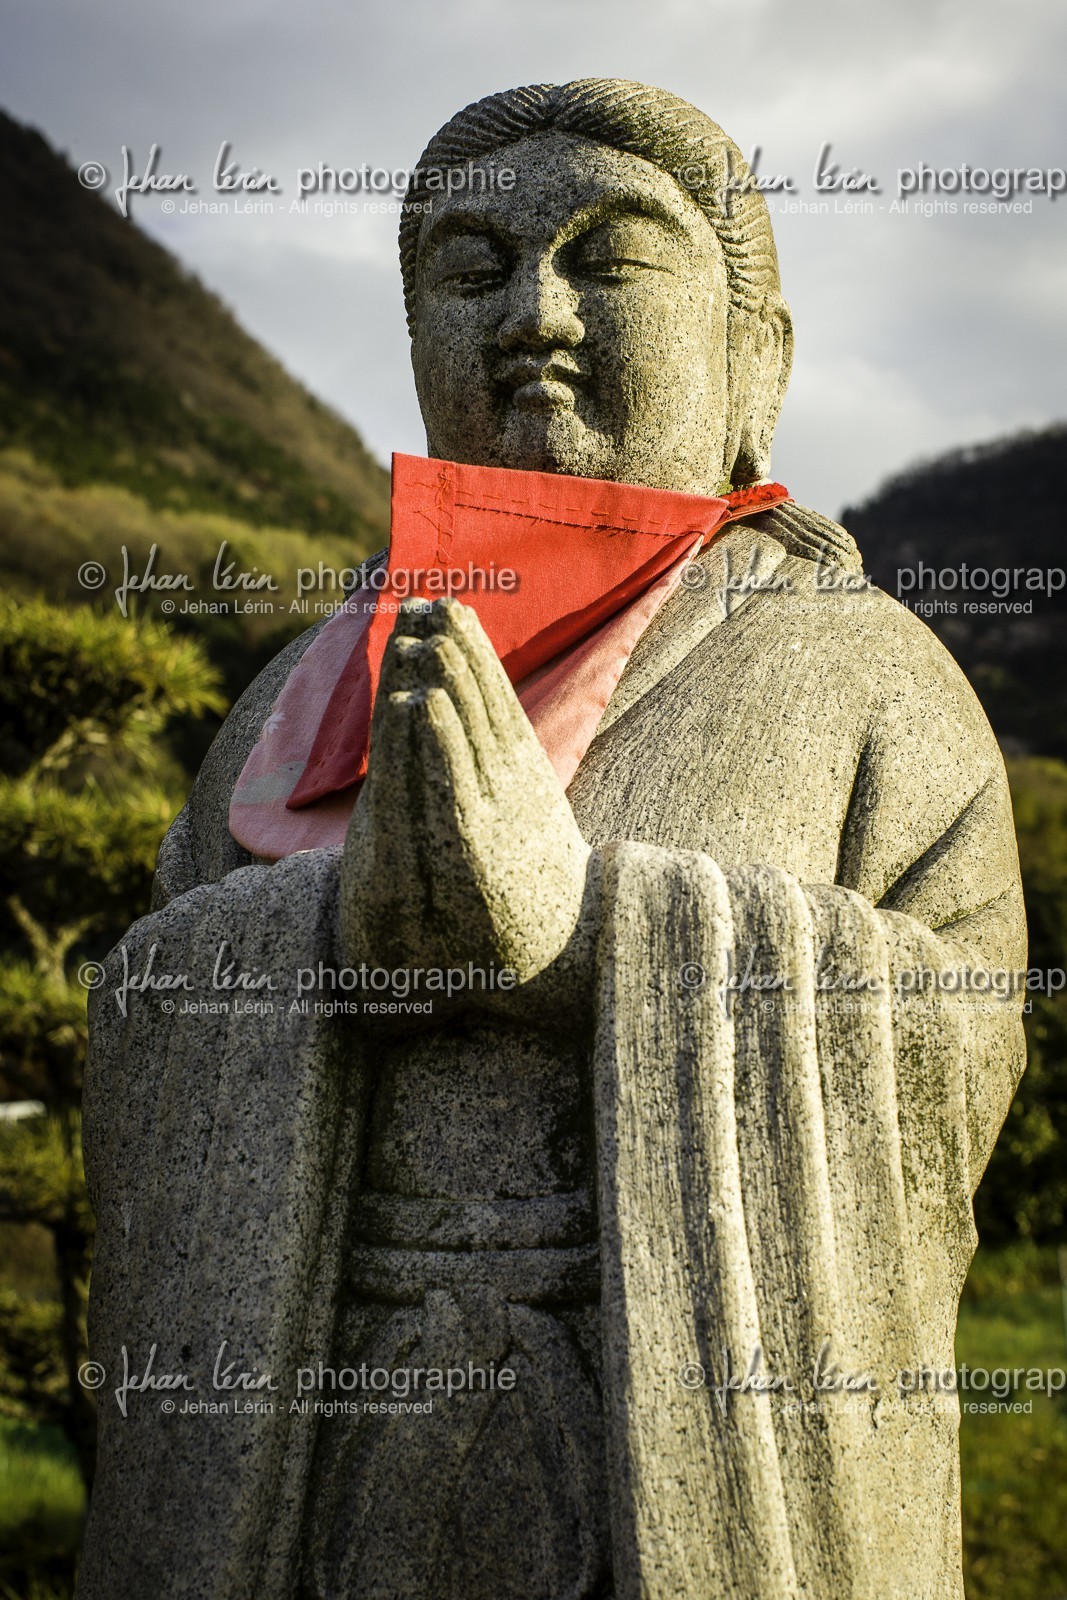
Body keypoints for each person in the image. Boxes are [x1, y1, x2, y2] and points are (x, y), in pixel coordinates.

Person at [78, 81, 1026, 1600]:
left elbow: (962, 1041)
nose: (535, 312)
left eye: (609, 259)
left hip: (684, 1463)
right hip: (317, 1446)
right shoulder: (302, 700)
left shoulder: (864, 674)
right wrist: (331, 933)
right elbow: (143, 1007)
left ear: (754, 357)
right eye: (472, 270)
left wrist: (591, 930)